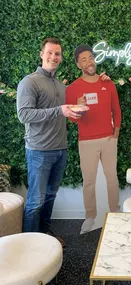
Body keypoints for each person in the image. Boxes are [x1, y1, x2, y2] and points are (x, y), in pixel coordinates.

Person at [17, 37, 81, 244]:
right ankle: (28, 244)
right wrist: (58, 111)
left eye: (58, 54)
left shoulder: (60, 86)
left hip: (60, 149)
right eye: (50, 53)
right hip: (39, 151)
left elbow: (62, 113)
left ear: (61, 58)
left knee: (50, 196)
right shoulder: (30, 81)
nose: (54, 57)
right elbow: (24, 115)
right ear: (42, 54)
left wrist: (73, 114)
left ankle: (43, 236)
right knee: (35, 201)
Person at [66, 44, 121, 234]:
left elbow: (116, 110)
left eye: (90, 57)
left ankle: (115, 212)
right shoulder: (73, 88)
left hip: (108, 140)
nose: (89, 62)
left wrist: (116, 134)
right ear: (78, 64)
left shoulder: (108, 83)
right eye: (83, 59)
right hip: (86, 141)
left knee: (112, 178)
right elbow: (72, 119)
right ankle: (90, 216)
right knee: (88, 181)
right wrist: (78, 109)